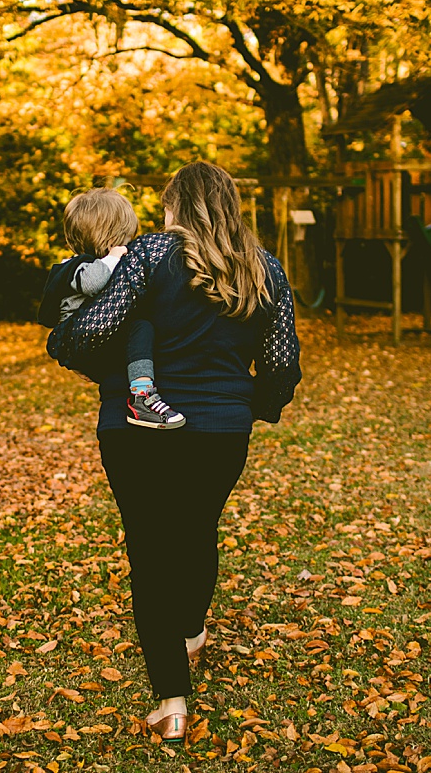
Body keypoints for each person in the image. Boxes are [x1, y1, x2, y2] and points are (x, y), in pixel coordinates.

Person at [46, 162, 302, 741]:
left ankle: (172, 700)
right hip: (222, 427)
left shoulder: (148, 255)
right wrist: (255, 404)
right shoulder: (263, 268)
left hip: (134, 427)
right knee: (197, 529)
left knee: (150, 550)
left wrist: (63, 342)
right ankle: (189, 629)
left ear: (173, 208)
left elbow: (90, 334)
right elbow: (283, 361)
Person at [38, 188, 185, 428]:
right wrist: (114, 257)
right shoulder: (76, 266)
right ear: (112, 236)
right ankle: (142, 396)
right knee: (141, 329)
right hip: (86, 344)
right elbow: (93, 282)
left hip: (99, 351)